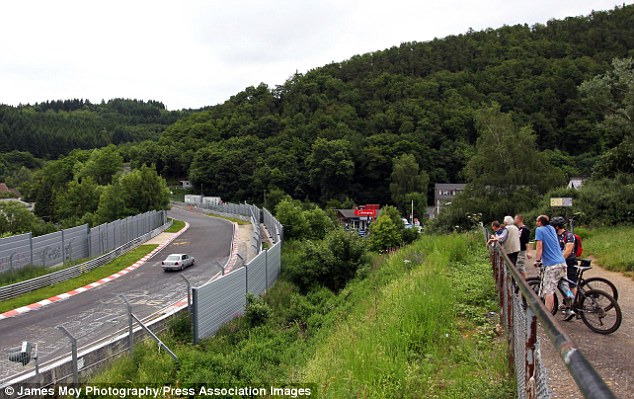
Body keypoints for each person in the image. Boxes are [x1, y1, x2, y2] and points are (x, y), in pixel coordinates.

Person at [534, 214, 575, 314]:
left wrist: (537, 260)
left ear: (540, 222)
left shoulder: (539, 230)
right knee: (565, 287)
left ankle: (547, 315)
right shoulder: (552, 229)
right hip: (562, 262)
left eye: (537, 220)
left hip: (552, 265)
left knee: (549, 290)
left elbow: (539, 247)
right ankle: (571, 307)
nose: (536, 222)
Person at [551, 216, 578, 320]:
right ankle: (567, 303)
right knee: (562, 284)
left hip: (569, 262)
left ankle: (571, 307)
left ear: (557, 227)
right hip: (560, 263)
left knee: (571, 284)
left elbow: (568, 250)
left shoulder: (569, 235)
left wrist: (559, 261)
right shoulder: (555, 235)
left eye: (553, 226)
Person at [514, 214, 531, 279]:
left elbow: (526, 241)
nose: (514, 220)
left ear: (518, 219)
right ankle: (524, 280)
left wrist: (528, 252)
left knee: (520, 266)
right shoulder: (519, 229)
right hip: (518, 249)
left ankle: (526, 281)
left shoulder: (525, 229)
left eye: (515, 218)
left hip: (522, 249)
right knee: (519, 266)